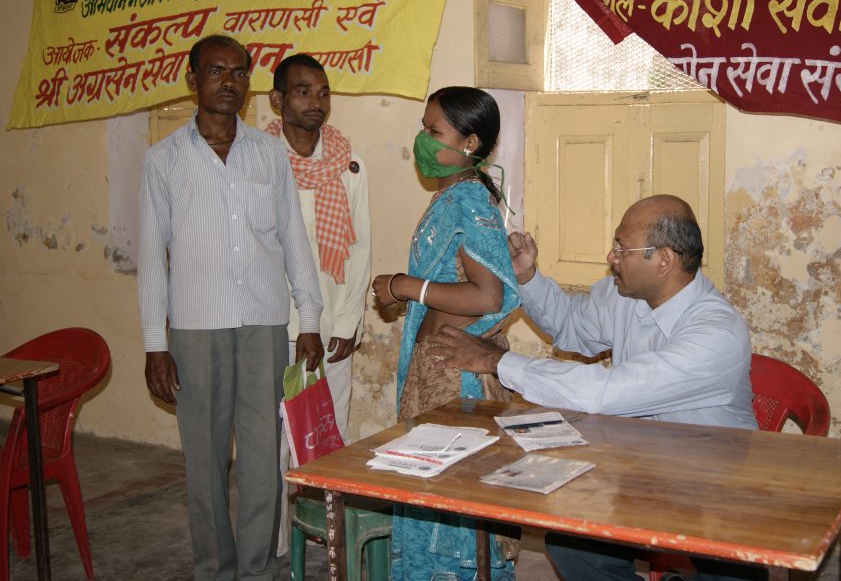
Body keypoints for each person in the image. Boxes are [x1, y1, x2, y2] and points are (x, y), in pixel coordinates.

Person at [428, 194, 760, 581]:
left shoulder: (716, 333)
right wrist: (527, 278)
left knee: (736, 572)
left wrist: (496, 361)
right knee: (570, 543)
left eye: (622, 247)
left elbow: (606, 392)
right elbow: (571, 323)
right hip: (645, 473)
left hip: (716, 489)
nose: (611, 256)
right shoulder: (626, 295)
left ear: (664, 261)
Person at [137, 35, 325, 581]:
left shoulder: (269, 154)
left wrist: (307, 320)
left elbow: (294, 240)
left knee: (265, 457)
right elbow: (153, 258)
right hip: (195, 328)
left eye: (239, 72)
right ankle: (215, 570)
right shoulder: (163, 161)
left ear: (248, 84)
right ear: (191, 78)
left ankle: (259, 568)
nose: (229, 81)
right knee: (205, 458)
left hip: (264, 324)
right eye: (216, 70)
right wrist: (155, 344)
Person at [370, 86, 521, 581]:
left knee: (449, 498)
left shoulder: (470, 200)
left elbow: (487, 297)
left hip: (457, 376)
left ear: (470, 142)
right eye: (424, 127)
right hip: (438, 370)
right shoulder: (453, 196)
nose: (423, 140)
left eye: (434, 131)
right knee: (431, 495)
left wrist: (403, 285)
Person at [265, 53, 371, 555]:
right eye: (303, 91)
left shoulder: (349, 166)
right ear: (277, 100)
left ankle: (333, 538)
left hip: (330, 328)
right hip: (273, 324)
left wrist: (349, 322)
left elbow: (360, 248)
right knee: (274, 437)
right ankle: (278, 545)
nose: (316, 102)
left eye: (323, 92)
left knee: (331, 433)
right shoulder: (258, 161)